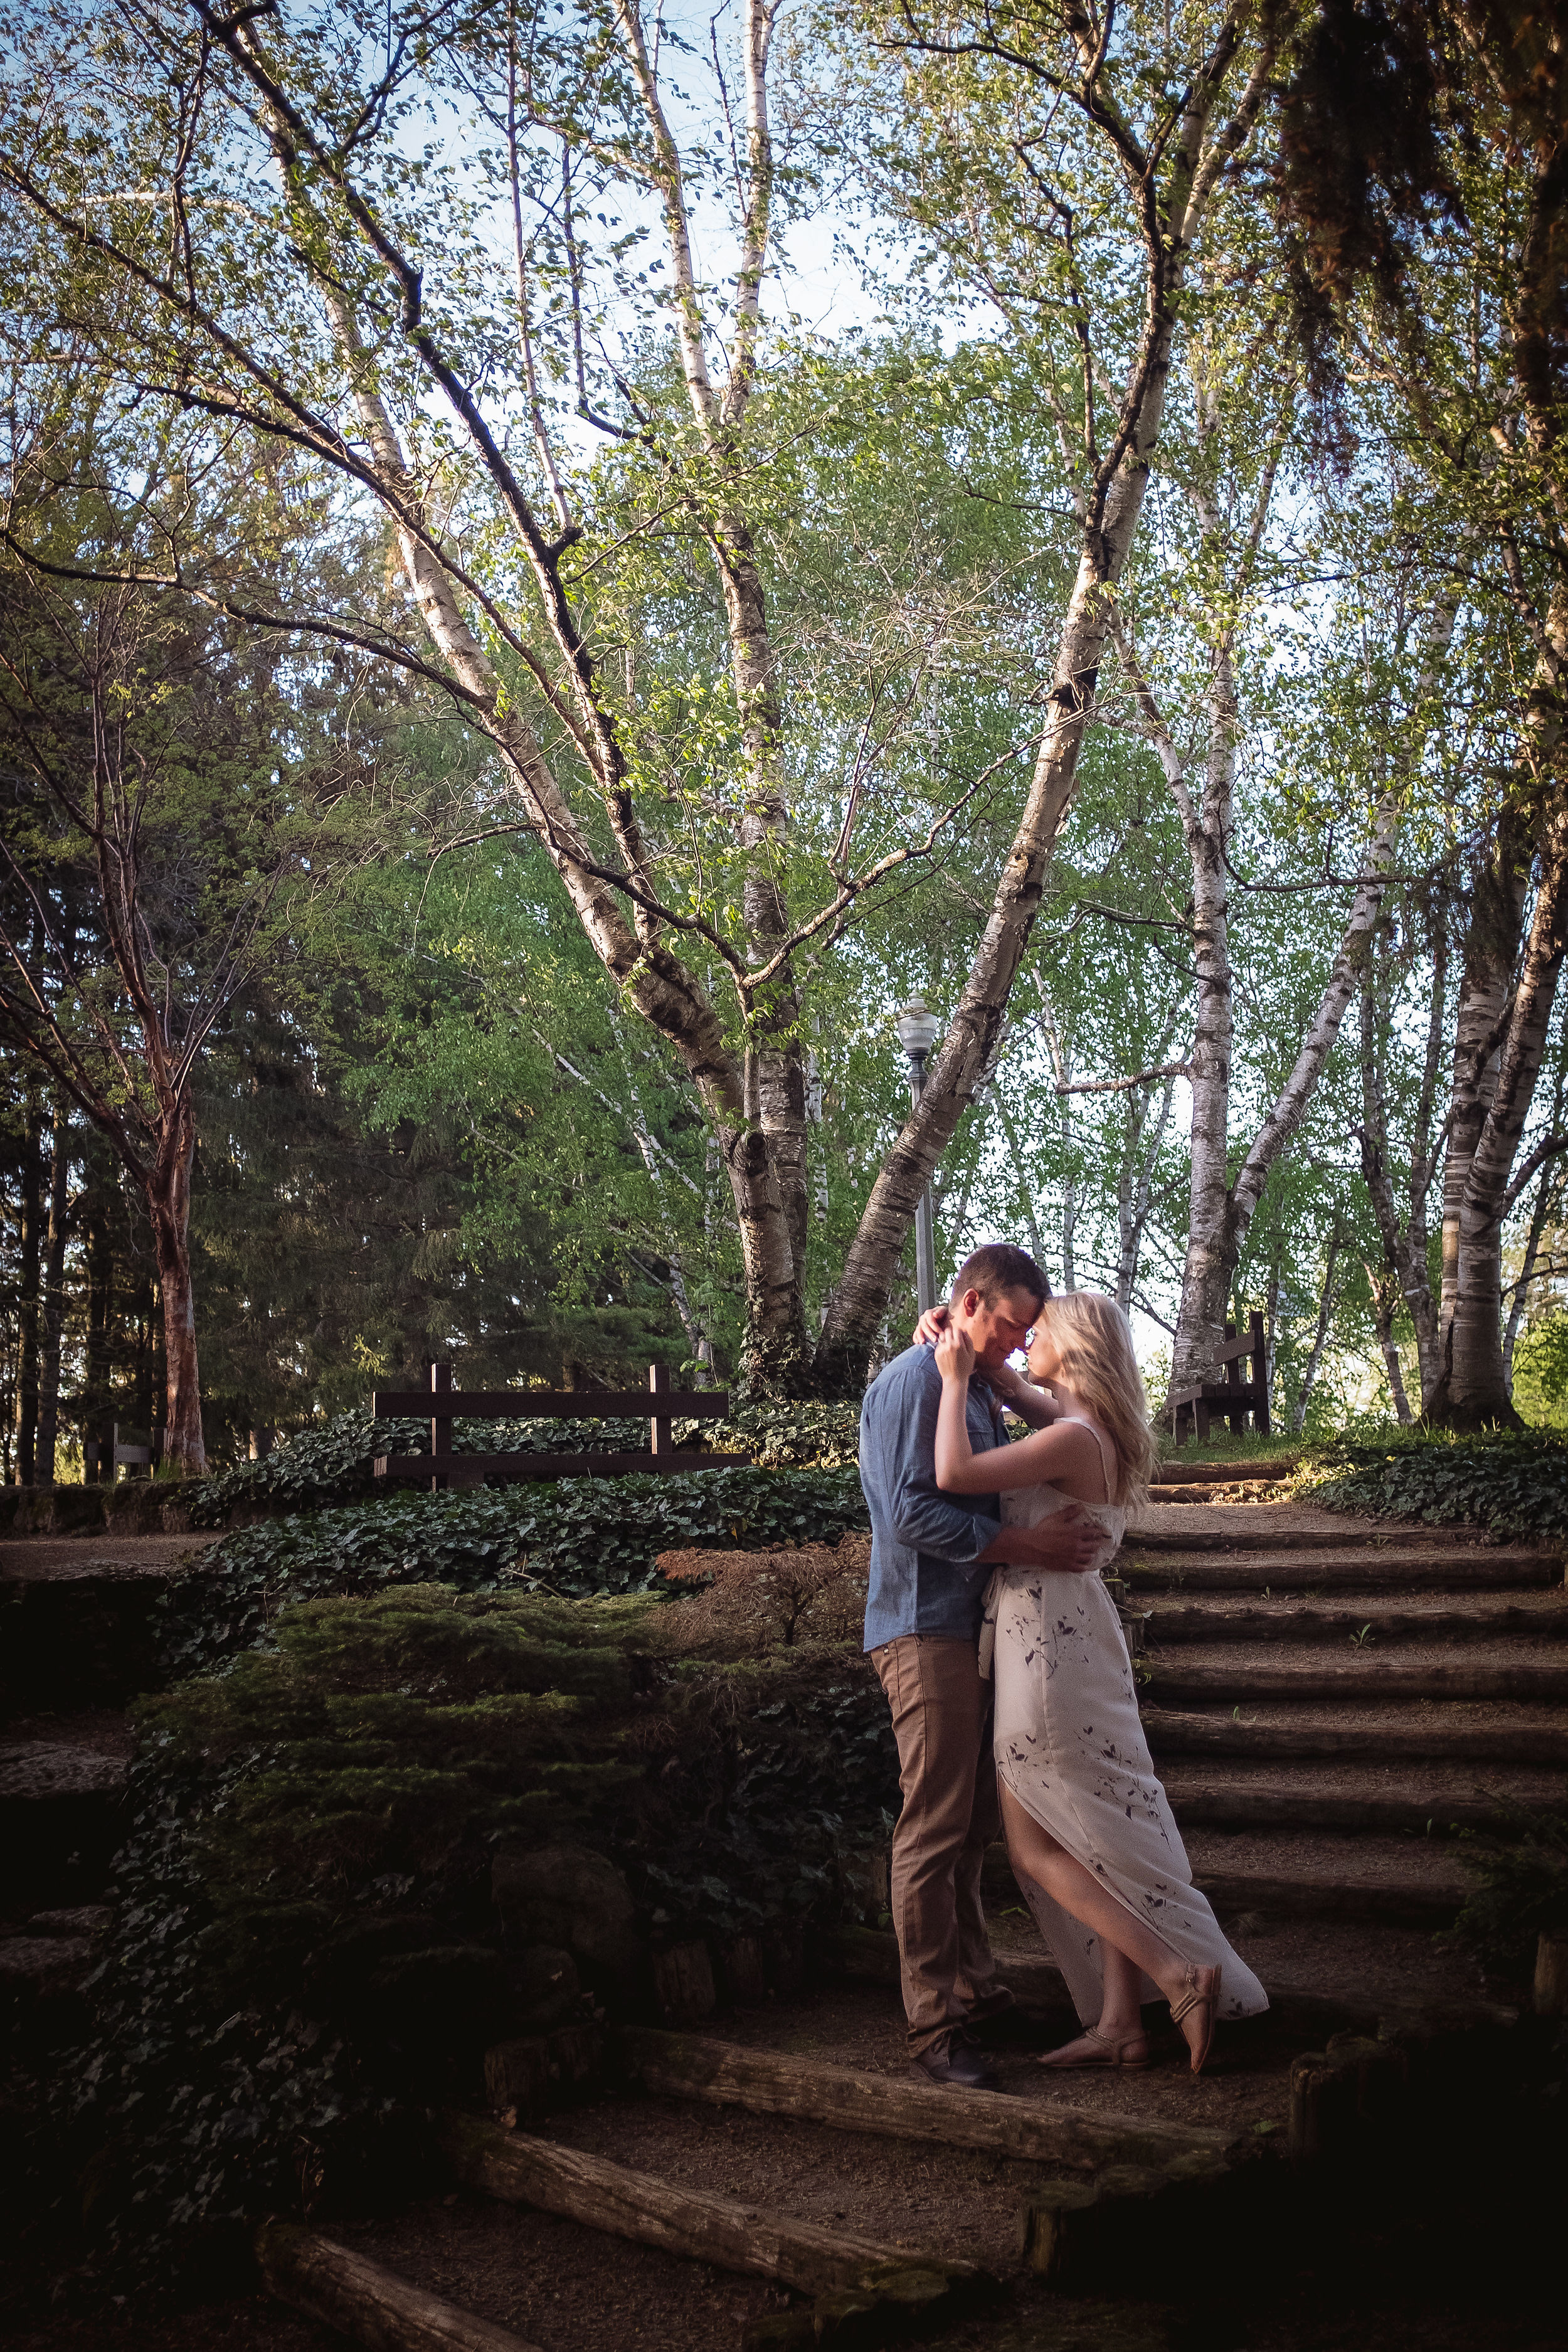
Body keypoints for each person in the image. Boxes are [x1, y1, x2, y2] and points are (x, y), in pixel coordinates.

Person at [928, 1288, 1269, 2074]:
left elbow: (952, 1473)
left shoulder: (1074, 1438)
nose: (1020, 1348)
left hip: (1045, 1642)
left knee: (1035, 1847)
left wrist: (952, 1380)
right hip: (1064, 1633)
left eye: (1035, 1335)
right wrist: (978, 1359)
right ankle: (1120, 2024)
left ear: (1073, 1347)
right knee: (1095, 1839)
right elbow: (1026, 1393)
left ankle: (1177, 1974)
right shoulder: (1087, 1428)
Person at [860, 1244, 1102, 2089]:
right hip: (922, 1625)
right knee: (931, 1828)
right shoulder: (916, 1382)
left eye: (1027, 1330)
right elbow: (908, 1511)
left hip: (970, 1624)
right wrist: (1029, 1543)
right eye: (1007, 1325)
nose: (1016, 1341)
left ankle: (975, 1991)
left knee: (965, 1830)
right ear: (968, 1302)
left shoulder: (970, 1373)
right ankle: (934, 2028)